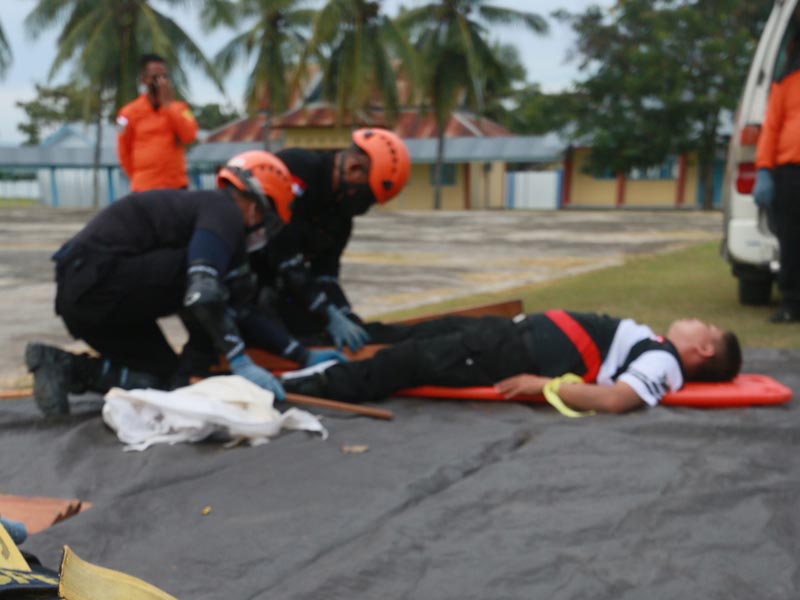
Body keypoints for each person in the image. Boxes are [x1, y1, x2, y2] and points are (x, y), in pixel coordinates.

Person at [25, 151, 342, 417]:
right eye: (267, 221)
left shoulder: (209, 220)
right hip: (96, 281)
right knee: (206, 284)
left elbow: (243, 311)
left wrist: (302, 356)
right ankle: (197, 367)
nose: (262, 233)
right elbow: (202, 292)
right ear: (254, 204)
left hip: (88, 296)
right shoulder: (223, 212)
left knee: (162, 379)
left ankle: (65, 367)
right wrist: (239, 359)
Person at [282, 311, 742, 414]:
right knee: (401, 333)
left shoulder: (664, 364)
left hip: (515, 354)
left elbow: (619, 399)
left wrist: (542, 385)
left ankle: (290, 384)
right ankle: (292, 345)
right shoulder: (657, 347)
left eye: (708, 328)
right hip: (506, 335)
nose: (696, 320)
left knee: (405, 360)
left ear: (703, 351)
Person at [250, 128, 411, 353]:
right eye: (366, 196)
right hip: (241, 276)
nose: (364, 207)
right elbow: (281, 250)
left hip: (282, 282)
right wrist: (328, 314)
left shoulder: (340, 219)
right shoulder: (298, 168)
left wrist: (345, 314)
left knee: (319, 329)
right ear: (353, 168)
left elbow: (325, 275)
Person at [753, 24, 800, 323]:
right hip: (789, 173)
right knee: (792, 241)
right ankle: (792, 303)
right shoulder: (787, 79)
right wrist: (763, 171)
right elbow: (771, 128)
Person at [116, 53, 198, 192]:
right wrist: (139, 177)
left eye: (164, 77)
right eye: (155, 77)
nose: (160, 82)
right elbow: (123, 151)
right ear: (144, 79)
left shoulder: (180, 108)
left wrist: (168, 106)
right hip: (144, 187)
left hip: (175, 186)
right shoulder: (127, 113)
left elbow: (189, 136)